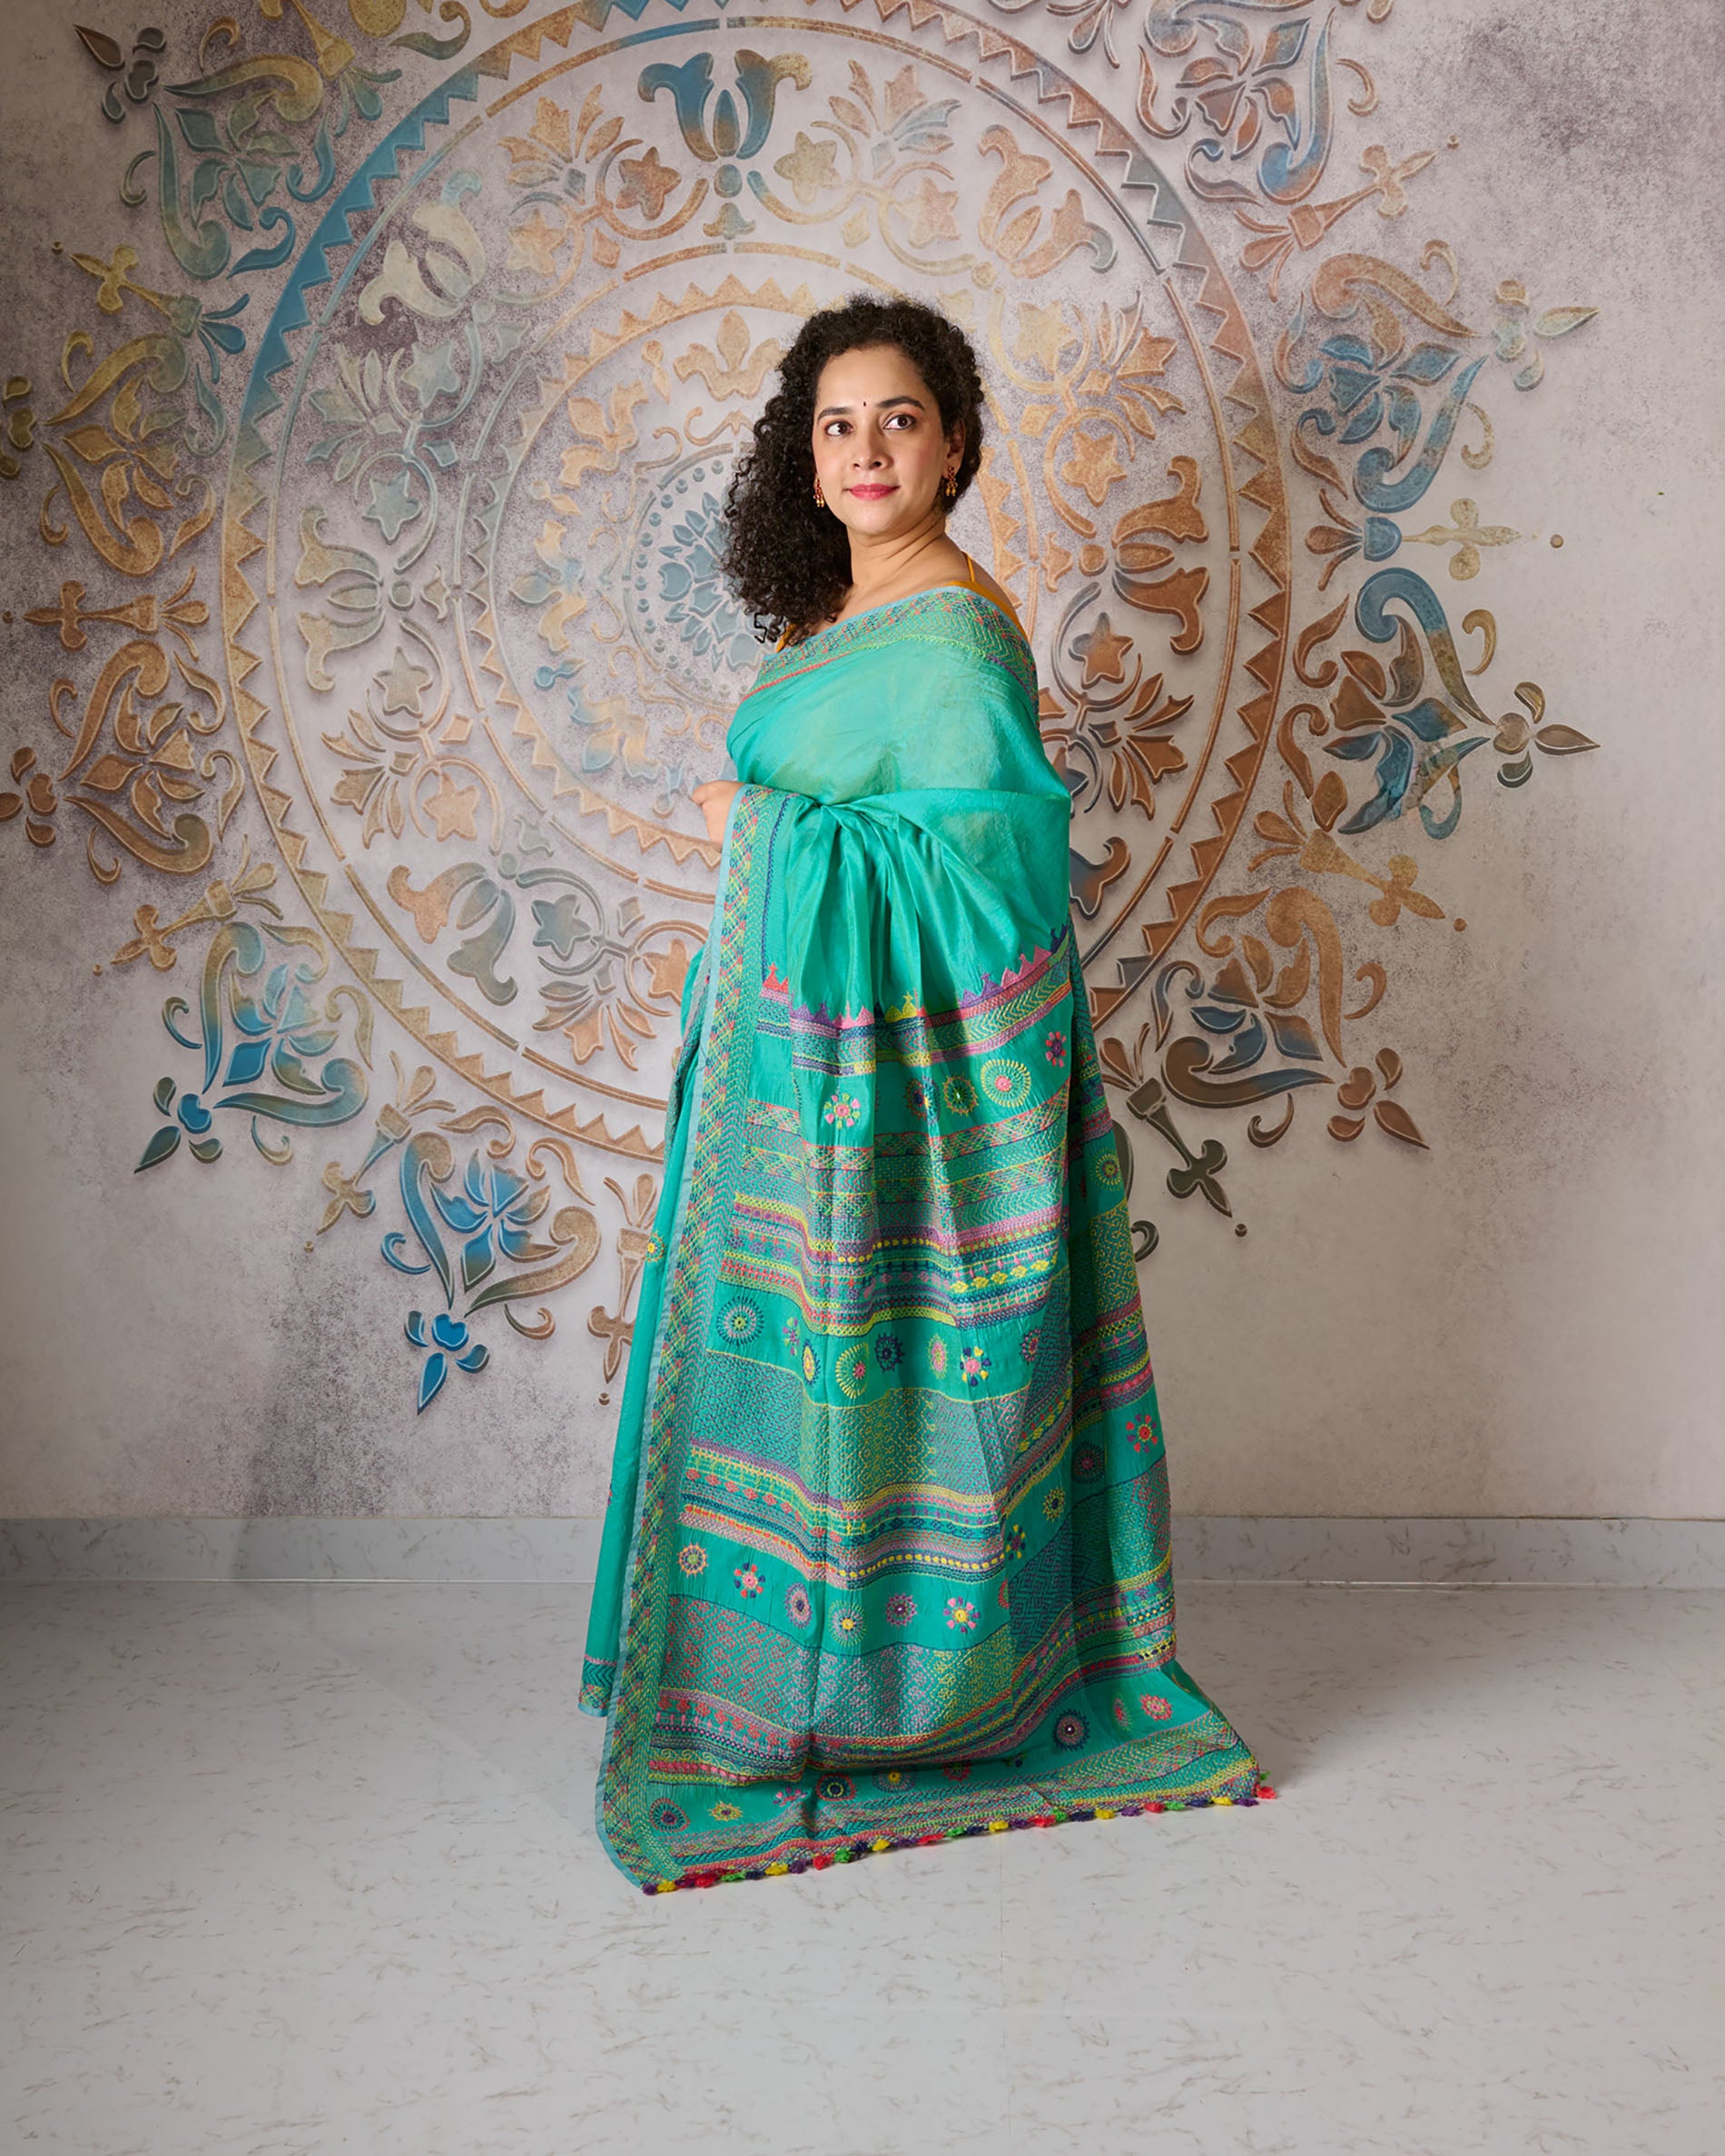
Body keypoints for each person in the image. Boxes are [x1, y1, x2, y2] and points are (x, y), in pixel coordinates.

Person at [579, 295, 1267, 1893]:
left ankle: (896, 1697)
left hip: (895, 1105)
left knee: (878, 1381)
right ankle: (784, 1690)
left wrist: (761, 832)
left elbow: (989, 889)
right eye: (838, 424)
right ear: (806, 459)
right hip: (797, 1076)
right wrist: (776, 843)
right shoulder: (842, 619)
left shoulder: (952, 633)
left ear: (954, 446)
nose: (867, 449)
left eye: (900, 418)